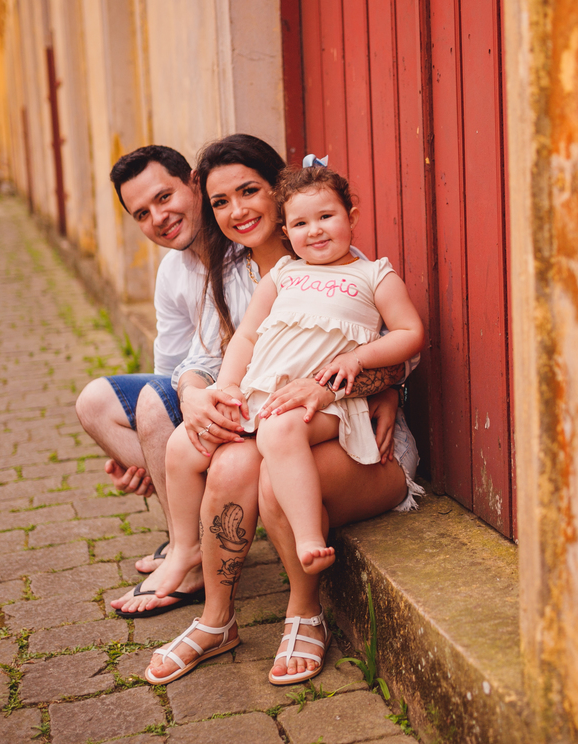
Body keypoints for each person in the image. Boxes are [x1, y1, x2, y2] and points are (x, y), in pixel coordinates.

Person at [110, 135, 420, 689]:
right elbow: (207, 356)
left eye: (250, 192)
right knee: (229, 465)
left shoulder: (349, 264)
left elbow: (399, 344)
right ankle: (215, 621)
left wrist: (372, 383)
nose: (236, 211)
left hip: (352, 435)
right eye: (221, 203)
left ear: (281, 195)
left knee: (275, 479)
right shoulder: (233, 272)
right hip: (275, 417)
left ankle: (305, 613)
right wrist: (200, 393)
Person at [163, 161, 425, 580]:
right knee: (181, 446)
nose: (315, 230)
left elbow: (410, 334)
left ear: (351, 218)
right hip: (263, 392)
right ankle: (183, 547)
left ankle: (307, 537)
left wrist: (358, 359)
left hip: (324, 403)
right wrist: (229, 385)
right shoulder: (284, 274)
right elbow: (246, 337)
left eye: (326, 217)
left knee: (279, 431)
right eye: (301, 223)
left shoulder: (373, 274)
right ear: (286, 231)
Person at [74, 146, 206, 576]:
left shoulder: (242, 243)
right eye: (142, 214)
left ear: (194, 182)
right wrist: (152, 455)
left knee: (153, 404)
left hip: (245, 393)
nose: (157, 218)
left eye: (164, 197)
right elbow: (166, 372)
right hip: (200, 390)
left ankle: (189, 555)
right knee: (94, 402)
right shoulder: (172, 269)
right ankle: (188, 533)